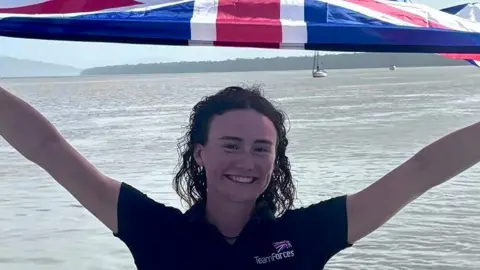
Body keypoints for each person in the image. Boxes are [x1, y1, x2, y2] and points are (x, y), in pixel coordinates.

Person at [0, 84, 478, 270]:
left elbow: (422, 171)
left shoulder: (307, 235)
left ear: (275, 162)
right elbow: (48, 149)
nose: (246, 161)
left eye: (260, 149)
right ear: (200, 154)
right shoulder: (153, 229)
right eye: (231, 145)